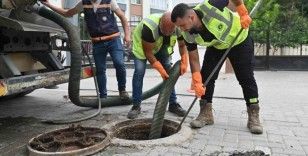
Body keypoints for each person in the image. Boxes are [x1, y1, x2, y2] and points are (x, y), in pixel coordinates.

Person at [171, 0, 263, 134]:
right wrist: (197, 79)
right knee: (206, 77)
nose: (181, 29)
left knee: (246, 78)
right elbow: (194, 57)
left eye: (182, 25)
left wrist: (242, 11)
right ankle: (206, 114)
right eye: (179, 27)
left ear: (191, 17)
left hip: (240, 39)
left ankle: (254, 116)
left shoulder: (210, 6)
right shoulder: (187, 33)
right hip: (218, 46)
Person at [41, 0, 130, 99]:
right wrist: (48, 5)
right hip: (97, 43)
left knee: (119, 64)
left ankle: (122, 91)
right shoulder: (83, 3)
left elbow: (123, 17)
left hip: (114, 40)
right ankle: (103, 97)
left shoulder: (109, 1)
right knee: (100, 70)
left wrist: (127, 35)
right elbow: (67, 13)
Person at [127, 12, 189, 119]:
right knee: (139, 72)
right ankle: (136, 106)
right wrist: (160, 69)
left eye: (170, 32)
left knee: (170, 74)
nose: (167, 34)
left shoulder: (178, 27)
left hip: (161, 46)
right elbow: (148, 53)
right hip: (143, 48)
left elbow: (182, 45)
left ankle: (173, 104)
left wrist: (184, 60)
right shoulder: (149, 28)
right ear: (160, 24)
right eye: (165, 31)